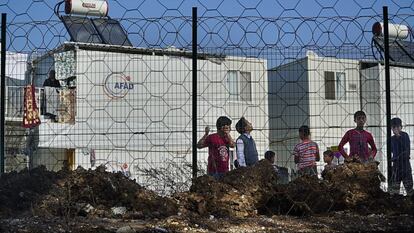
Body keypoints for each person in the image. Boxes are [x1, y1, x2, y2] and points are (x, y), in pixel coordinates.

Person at [389, 117, 413, 195]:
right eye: (394, 127)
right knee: (395, 190)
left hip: (405, 165)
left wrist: (399, 136)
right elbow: (392, 151)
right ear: (391, 128)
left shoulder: (405, 135)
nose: (396, 129)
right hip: (396, 166)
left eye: (398, 126)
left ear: (401, 127)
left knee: (409, 188)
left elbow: (407, 151)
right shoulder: (391, 139)